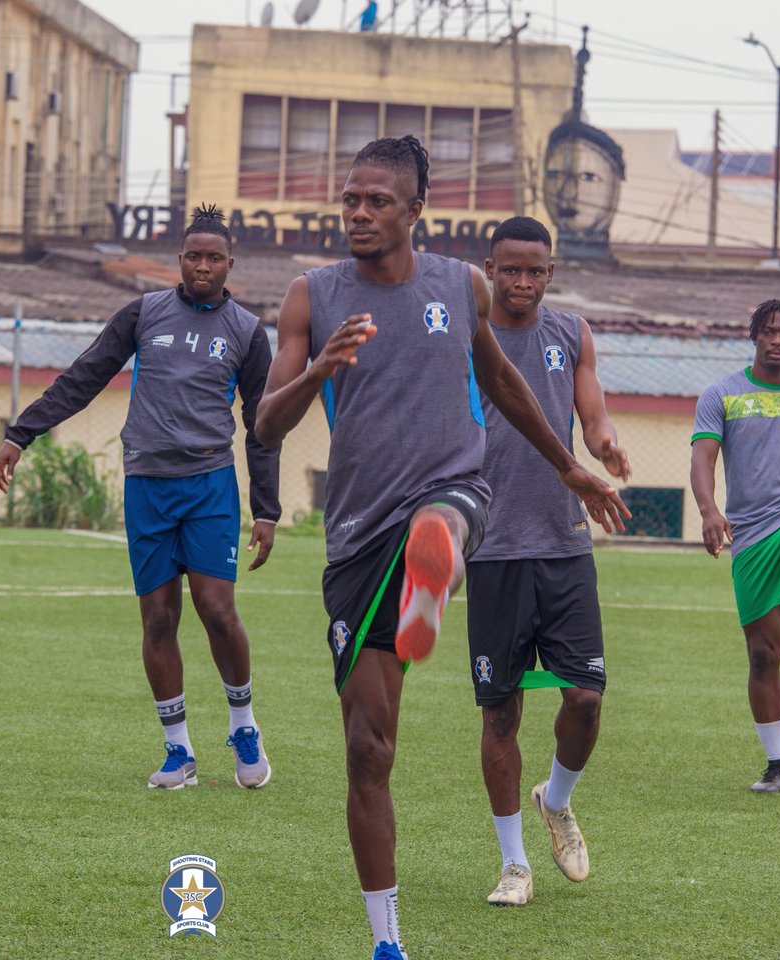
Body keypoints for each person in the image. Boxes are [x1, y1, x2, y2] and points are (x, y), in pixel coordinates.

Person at [254, 137, 628, 960]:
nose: (359, 213)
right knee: (367, 749)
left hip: (454, 491)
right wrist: (319, 369)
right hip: (358, 536)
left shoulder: (460, 285)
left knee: (446, 517)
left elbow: (501, 383)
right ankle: (387, 942)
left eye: (378, 201)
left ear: (415, 210)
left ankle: (439, 566)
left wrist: (570, 466)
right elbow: (266, 424)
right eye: (351, 199)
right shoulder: (311, 295)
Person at [0, 204, 281, 791]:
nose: (202, 266)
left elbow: (261, 425)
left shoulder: (249, 332)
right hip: (146, 484)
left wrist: (267, 508)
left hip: (209, 484)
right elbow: (85, 377)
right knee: (158, 619)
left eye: (214, 258)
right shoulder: (143, 313)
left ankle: (244, 727)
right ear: (180, 259)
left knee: (216, 610)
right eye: (193, 256)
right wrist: (21, 434)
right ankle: (178, 750)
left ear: (230, 264)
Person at [467, 216, 630, 908]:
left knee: (585, 699)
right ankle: (514, 865)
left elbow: (591, 418)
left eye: (535, 271)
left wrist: (605, 441)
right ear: (489, 269)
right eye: (510, 269)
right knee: (501, 713)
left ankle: (556, 800)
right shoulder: (466, 337)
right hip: (492, 547)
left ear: (550, 273)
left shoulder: (572, 333)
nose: (523, 281)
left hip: (563, 541)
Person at [691, 298, 780, 794]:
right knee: (763, 655)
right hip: (754, 535)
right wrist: (709, 510)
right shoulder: (722, 393)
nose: (778, 340)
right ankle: (778, 765)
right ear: (754, 335)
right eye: (769, 331)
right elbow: (703, 459)